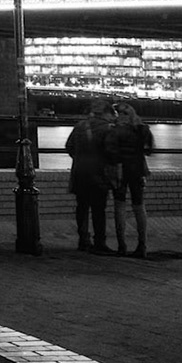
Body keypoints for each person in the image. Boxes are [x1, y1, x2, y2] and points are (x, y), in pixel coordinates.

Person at [103, 101, 154, 258]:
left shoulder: (115, 130)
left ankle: (122, 245)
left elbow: (109, 151)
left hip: (120, 170)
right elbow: (149, 149)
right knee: (139, 206)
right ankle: (142, 245)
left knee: (120, 206)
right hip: (138, 169)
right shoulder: (142, 129)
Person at [64, 98, 114, 253]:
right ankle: (100, 242)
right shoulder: (108, 128)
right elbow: (111, 152)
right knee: (99, 209)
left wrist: (80, 159)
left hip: (79, 172)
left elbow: (69, 146)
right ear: (107, 113)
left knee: (82, 207)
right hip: (98, 173)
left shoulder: (80, 126)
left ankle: (83, 240)